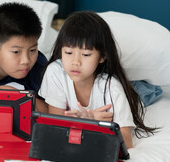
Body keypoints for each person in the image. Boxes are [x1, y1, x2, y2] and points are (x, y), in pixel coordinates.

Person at [38, 11, 156, 149]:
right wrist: (88, 122)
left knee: (141, 92)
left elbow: (127, 142)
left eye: (86, 54)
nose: (75, 62)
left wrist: (89, 123)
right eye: (68, 53)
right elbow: (55, 127)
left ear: (102, 57)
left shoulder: (112, 87)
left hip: (134, 90)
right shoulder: (56, 72)